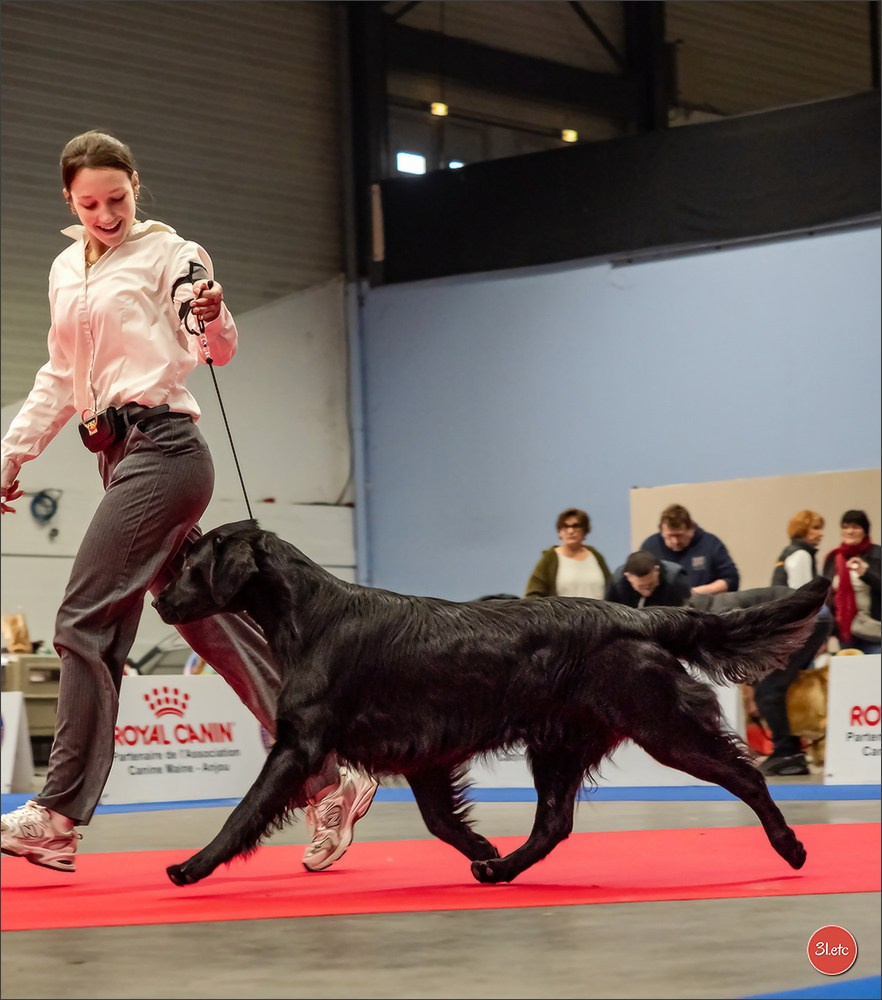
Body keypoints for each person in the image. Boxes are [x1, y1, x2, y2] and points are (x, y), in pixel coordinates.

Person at [0, 130, 377, 874]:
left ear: (137, 185)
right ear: (69, 202)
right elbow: (59, 372)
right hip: (117, 457)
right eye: (90, 203)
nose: (106, 213)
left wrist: (210, 312)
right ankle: (328, 775)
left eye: (118, 198)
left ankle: (60, 812)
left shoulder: (176, 254)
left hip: (166, 453)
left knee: (83, 620)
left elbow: (215, 343)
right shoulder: (66, 268)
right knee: (208, 624)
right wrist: (12, 454)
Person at [690, 585, 832, 776]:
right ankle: (792, 749)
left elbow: (747, 653)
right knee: (779, 688)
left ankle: (787, 754)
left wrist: (751, 690)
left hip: (810, 617)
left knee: (769, 691)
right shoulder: (716, 610)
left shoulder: (721, 615)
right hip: (811, 615)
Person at [640, 503, 739, 595]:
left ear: (692, 529)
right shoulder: (650, 546)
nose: (675, 541)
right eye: (670, 536)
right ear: (661, 531)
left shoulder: (711, 544)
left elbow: (731, 580)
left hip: (704, 607)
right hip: (662, 610)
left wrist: (694, 593)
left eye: (679, 535)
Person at [821, 510, 881, 654]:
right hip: (845, 633)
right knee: (847, 674)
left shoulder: (877, 554)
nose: (850, 531)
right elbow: (826, 595)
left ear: (865, 531)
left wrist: (865, 574)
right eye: (846, 527)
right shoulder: (833, 558)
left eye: (855, 527)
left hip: (874, 632)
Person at [524, 507, 611, 598]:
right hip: (562, 612)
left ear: (585, 531)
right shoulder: (549, 559)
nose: (570, 531)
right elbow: (532, 594)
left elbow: (612, 592)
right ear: (559, 532)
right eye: (565, 527)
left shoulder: (595, 557)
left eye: (576, 526)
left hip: (598, 612)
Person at [605, 550, 692, 608]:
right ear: (628, 577)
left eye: (650, 584)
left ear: (657, 570)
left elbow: (688, 616)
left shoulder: (675, 579)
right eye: (641, 586)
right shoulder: (617, 582)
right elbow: (609, 616)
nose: (647, 592)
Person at [772, 510, 825, 588]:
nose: (821, 534)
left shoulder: (789, 552)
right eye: (815, 528)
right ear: (802, 529)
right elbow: (802, 593)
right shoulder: (801, 555)